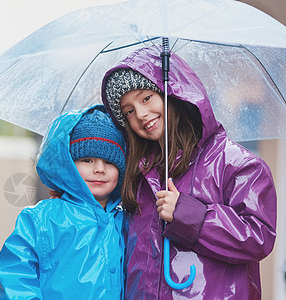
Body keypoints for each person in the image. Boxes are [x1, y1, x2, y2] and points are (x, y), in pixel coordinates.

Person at [101, 46, 277, 299]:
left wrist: (188, 215)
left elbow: (258, 237)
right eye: (128, 111)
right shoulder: (138, 175)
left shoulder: (237, 164)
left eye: (146, 98)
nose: (140, 114)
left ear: (173, 93)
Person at [0, 105, 126, 299]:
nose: (99, 169)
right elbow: (15, 274)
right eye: (87, 160)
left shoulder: (127, 221)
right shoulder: (41, 219)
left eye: (109, 162)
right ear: (69, 165)